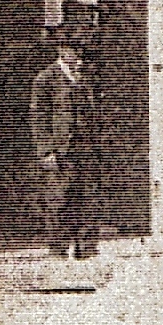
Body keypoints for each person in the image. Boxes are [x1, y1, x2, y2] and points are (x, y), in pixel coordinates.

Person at [27, 28, 100, 258]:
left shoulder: (86, 76)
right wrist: (46, 150)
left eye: (80, 50)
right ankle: (58, 247)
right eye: (72, 50)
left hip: (86, 148)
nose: (78, 55)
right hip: (60, 150)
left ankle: (86, 248)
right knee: (59, 199)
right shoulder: (46, 79)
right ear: (61, 50)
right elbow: (39, 117)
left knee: (88, 199)